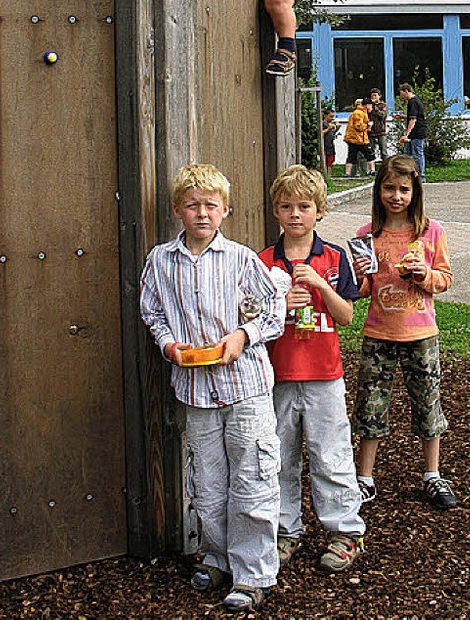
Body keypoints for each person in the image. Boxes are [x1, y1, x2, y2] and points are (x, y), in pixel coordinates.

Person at [140, 164, 285, 613]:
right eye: (192, 205)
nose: (201, 213)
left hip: (245, 387)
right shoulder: (161, 261)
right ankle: (218, 556)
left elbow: (272, 312)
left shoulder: (241, 259)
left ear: (225, 209)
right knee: (207, 481)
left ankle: (253, 573)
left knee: (253, 477)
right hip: (196, 391)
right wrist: (169, 346)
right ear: (177, 210)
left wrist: (242, 337)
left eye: (210, 205)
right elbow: (152, 312)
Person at [259, 165, 365, 573]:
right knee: (280, 457)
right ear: (276, 212)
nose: (295, 214)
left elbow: (347, 317)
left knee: (331, 454)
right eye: (286, 207)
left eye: (304, 206)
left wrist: (321, 287)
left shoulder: (335, 258)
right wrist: (279, 306)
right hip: (279, 376)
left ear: (319, 211)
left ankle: (345, 532)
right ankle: (286, 530)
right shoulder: (263, 260)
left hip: (324, 375)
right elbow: (252, 318)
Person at [350, 154, 457, 510]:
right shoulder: (367, 235)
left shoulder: (431, 232)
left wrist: (423, 274)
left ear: (416, 192)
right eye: (389, 188)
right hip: (378, 333)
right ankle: (364, 479)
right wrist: (358, 273)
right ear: (378, 188)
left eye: (404, 189)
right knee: (370, 405)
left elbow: (444, 279)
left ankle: (432, 474)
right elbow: (362, 290)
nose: (396, 196)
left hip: (420, 334)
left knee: (427, 404)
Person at [399, 82, 428, 182]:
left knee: (417, 154)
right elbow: (413, 116)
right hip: (413, 132)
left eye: (401, 93)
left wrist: (406, 134)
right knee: (407, 154)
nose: (401, 96)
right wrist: (403, 117)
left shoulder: (413, 102)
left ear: (406, 91)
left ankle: (421, 176)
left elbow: (413, 119)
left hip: (417, 131)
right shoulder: (413, 101)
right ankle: (407, 174)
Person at [343, 98, 375, 177]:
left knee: (351, 156)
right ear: (367, 105)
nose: (372, 108)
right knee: (369, 154)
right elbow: (358, 126)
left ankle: (348, 173)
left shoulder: (361, 112)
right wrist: (368, 125)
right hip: (358, 139)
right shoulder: (359, 113)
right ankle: (372, 170)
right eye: (371, 106)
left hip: (357, 138)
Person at [369, 88, 389, 164]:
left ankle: (386, 167)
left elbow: (383, 115)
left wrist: (376, 108)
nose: (373, 97)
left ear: (379, 96)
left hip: (381, 131)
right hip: (371, 131)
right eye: (372, 96)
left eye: (375, 95)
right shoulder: (369, 106)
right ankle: (371, 169)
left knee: (384, 152)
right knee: (371, 151)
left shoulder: (383, 105)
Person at [322, 110, 340, 177]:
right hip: (324, 146)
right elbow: (321, 133)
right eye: (331, 116)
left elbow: (331, 134)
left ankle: (329, 176)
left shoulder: (330, 124)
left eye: (333, 116)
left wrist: (337, 129)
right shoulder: (323, 124)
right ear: (325, 116)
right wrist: (328, 128)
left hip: (330, 146)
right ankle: (325, 176)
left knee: (330, 162)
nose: (332, 118)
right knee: (324, 162)